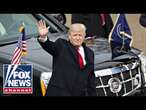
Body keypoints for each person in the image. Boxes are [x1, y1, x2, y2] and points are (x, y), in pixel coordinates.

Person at [37, 20, 97, 96]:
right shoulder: (61, 45)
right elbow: (49, 46)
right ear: (69, 36)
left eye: (80, 35)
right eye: (75, 35)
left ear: (84, 36)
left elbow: (90, 79)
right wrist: (43, 37)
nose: (77, 38)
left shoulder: (90, 53)